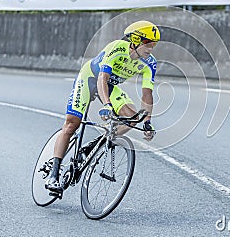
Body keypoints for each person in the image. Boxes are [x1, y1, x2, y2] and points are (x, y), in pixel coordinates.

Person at [45, 20, 160, 193]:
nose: (150, 49)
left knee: (134, 118)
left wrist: (147, 121)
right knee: (71, 124)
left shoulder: (149, 64)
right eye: (147, 44)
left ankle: (94, 145)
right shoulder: (118, 48)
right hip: (90, 79)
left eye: (154, 45)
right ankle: (53, 174)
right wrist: (106, 105)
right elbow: (102, 79)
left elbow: (147, 94)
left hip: (111, 87)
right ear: (135, 40)